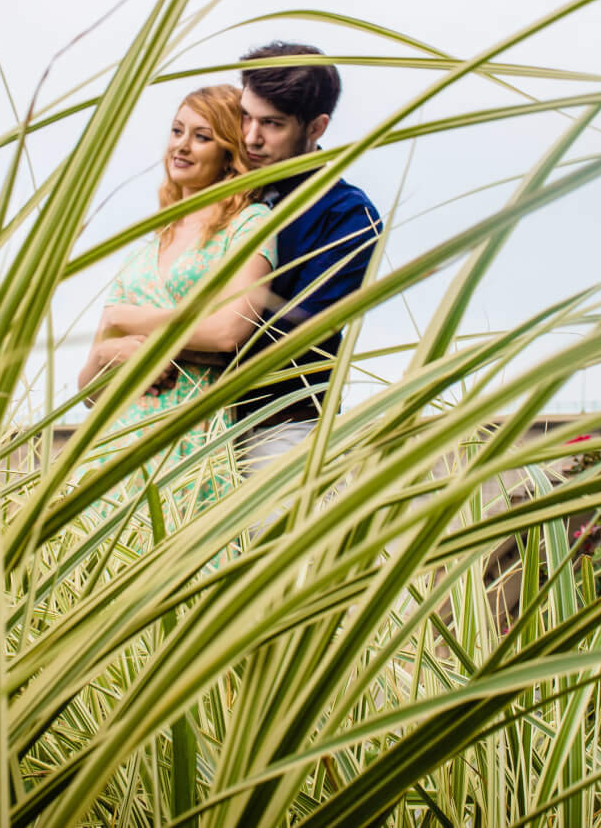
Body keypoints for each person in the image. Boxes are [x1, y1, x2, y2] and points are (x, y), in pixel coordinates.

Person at [79, 84, 277, 507]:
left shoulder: (250, 224)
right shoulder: (145, 249)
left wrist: (129, 320)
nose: (182, 147)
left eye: (202, 136)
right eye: (176, 131)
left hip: (190, 444)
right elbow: (89, 390)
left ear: (228, 153)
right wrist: (110, 354)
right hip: (113, 451)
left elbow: (228, 333)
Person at [228, 41, 383, 474]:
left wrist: (179, 341)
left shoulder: (350, 216)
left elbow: (293, 337)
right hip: (185, 423)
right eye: (245, 116)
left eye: (271, 124)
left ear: (316, 127)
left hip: (281, 433)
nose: (250, 137)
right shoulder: (218, 191)